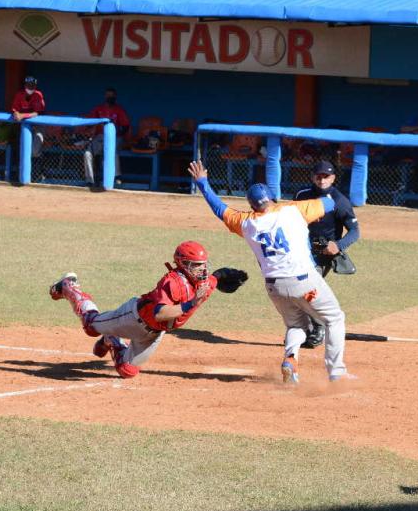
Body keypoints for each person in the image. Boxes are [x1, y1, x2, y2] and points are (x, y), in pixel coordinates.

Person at [188, 160, 351, 384]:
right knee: (334, 319)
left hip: (275, 287)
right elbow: (330, 203)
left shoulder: (246, 222)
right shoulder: (294, 210)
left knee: (295, 325)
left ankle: (291, 360)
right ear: (273, 198)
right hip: (305, 281)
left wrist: (203, 183)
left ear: (252, 205)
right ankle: (336, 372)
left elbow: (220, 209)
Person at [48, 242, 220, 379]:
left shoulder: (203, 284)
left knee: (127, 371)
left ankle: (112, 340)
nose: (203, 270)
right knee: (90, 326)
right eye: (196, 265)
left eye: (204, 265)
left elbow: (217, 278)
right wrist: (192, 302)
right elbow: (160, 314)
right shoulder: (172, 282)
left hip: (155, 334)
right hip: (134, 318)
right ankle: (68, 287)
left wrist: (229, 276)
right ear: (182, 264)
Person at [294, 160, 360, 348]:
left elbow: (355, 231)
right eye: (318, 175)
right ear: (312, 176)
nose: (322, 179)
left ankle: (318, 326)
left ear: (333, 178)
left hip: (322, 254)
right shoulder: (302, 195)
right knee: (294, 289)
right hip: (300, 251)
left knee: (306, 289)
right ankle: (305, 329)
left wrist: (338, 246)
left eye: (326, 176)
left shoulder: (340, 201)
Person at [83, 87, 130, 187]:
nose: (110, 97)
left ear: (115, 97)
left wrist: (119, 136)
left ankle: (116, 177)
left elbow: (125, 126)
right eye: (108, 95)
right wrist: (90, 130)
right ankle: (90, 180)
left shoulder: (119, 110)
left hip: (115, 137)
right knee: (87, 153)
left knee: (112, 151)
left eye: (112, 95)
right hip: (100, 137)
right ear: (105, 96)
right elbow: (90, 122)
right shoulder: (99, 109)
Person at [9, 76, 46, 180]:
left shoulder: (38, 95)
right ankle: (17, 174)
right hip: (25, 127)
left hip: (38, 125)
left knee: (34, 151)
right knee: (20, 147)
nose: (30, 87)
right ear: (25, 85)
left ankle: (38, 174)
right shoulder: (19, 95)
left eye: (32, 85)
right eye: (28, 85)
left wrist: (22, 116)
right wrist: (16, 113)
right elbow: (14, 109)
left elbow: (37, 113)